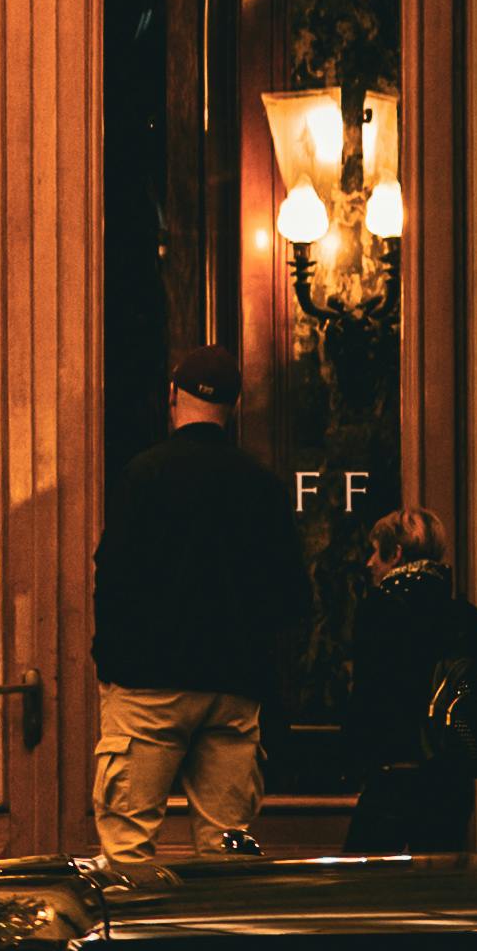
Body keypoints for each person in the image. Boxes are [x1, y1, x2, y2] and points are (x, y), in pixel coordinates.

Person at [89, 348, 310, 873]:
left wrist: (111, 667)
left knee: (128, 855)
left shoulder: (143, 476)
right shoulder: (264, 486)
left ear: (172, 396)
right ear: (235, 405)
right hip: (235, 688)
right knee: (228, 857)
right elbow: (292, 597)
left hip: (149, 685)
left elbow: (113, 578)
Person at [344, 509, 477, 856]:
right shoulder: (459, 615)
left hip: (394, 774)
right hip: (449, 777)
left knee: (363, 889)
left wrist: (351, 760)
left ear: (396, 554)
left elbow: (371, 697)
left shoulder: (382, 610)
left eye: (376, 551)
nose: (370, 562)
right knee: (438, 885)